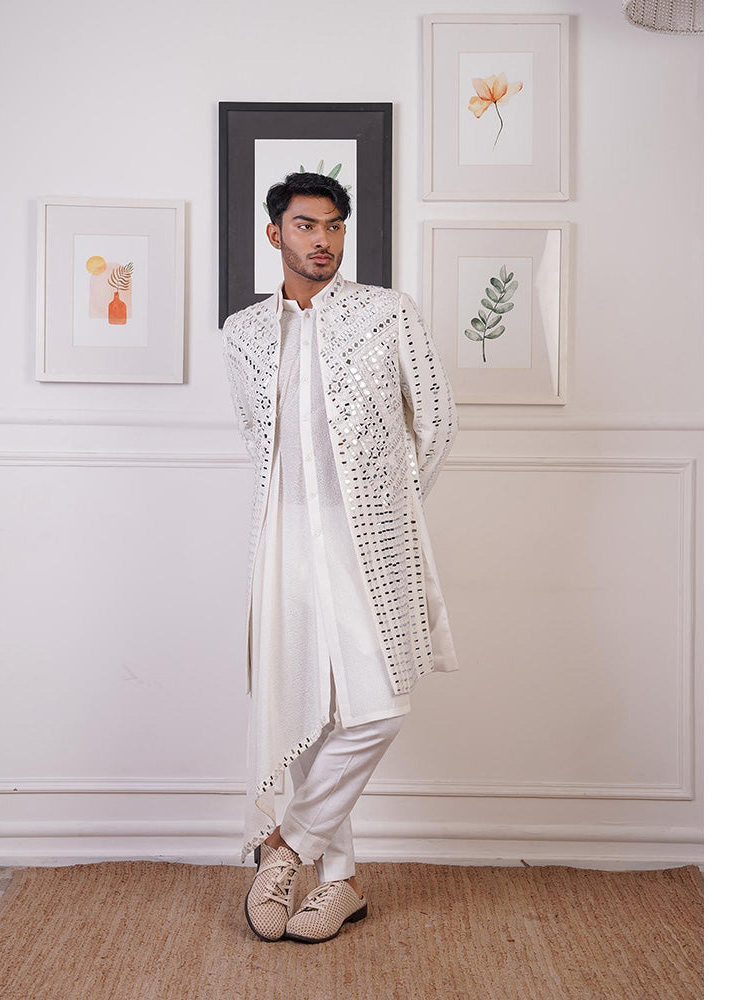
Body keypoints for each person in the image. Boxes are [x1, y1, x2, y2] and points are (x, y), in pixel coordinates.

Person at [220, 171, 460, 944]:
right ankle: (340, 883)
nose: (322, 240)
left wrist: (384, 510)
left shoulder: (387, 313)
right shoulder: (243, 332)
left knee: (378, 705)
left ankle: (284, 847)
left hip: (365, 541)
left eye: (333, 225)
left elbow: (438, 423)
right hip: (282, 539)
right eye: (305, 225)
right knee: (305, 709)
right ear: (275, 233)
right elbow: (255, 434)